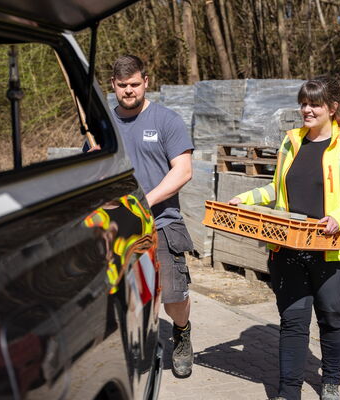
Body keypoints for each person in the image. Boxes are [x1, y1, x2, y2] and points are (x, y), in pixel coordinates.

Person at [229, 76, 340, 400]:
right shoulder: (291, 141)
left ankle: (331, 381)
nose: (306, 110)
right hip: (289, 246)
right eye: (303, 103)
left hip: (334, 247)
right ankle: (288, 391)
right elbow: (276, 188)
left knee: (330, 315)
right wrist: (245, 199)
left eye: (314, 104)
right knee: (293, 321)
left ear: (332, 108)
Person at [110, 55, 195, 378]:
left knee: (173, 296)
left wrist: (144, 201)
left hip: (161, 222)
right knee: (124, 296)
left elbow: (183, 171)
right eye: (122, 85)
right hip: (117, 226)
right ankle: (133, 345)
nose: (129, 91)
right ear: (113, 85)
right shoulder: (103, 125)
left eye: (134, 84)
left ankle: (182, 333)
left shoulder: (166, 120)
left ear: (146, 82)